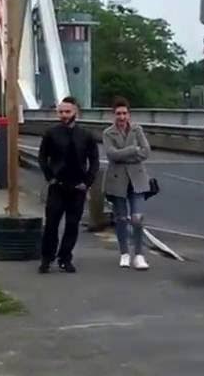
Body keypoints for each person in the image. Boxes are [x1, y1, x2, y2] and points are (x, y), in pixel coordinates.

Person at [37, 96, 99, 273]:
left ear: (75, 113)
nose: (64, 115)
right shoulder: (51, 133)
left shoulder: (86, 135)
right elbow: (42, 157)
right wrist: (50, 177)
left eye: (67, 112)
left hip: (77, 187)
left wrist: (87, 182)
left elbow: (94, 161)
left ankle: (65, 258)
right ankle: (47, 258)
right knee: (51, 224)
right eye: (61, 112)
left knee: (72, 225)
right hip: (58, 185)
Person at [102, 97, 152, 271]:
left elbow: (146, 152)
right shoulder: (108, 133)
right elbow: (111, 155)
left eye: (124, 113)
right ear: (113, 115)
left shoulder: (137, 130)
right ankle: (124, 253)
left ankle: (139, 254)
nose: (122, 117)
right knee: (121, 219)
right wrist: (132, 150)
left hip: (137, 179)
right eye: (118, 114)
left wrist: (125, 155)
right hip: (117, 180)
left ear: (129, 115)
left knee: (137, 218)